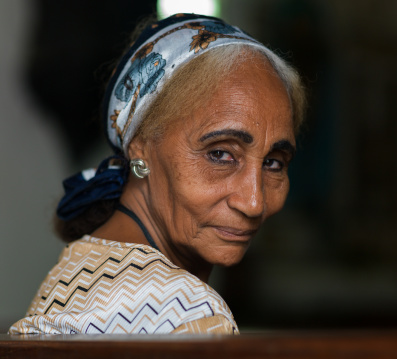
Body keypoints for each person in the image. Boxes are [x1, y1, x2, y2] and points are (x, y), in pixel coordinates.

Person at [9, 13, 305, 335]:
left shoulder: (71, 271)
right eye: (220, 154)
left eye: (274, 163)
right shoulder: (189, 311)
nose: (254, 202)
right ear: (140, 147)